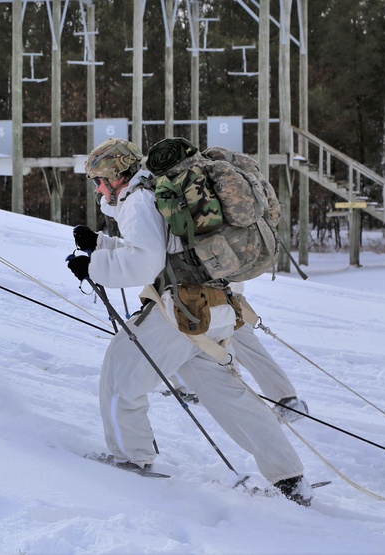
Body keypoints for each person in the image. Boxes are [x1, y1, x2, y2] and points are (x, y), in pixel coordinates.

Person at [67, 138, 312, 505]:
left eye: (100, 180)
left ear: (119, 175)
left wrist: (93, 267)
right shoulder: (158, 192)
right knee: (229, 396)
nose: (99, 188)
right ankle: (289, 477)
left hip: (182, 310)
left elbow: (145, 262)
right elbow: (164, 248)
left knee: (122, 371)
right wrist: (101, 245)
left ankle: (130, 459)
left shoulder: (138, 201)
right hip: (214, 309)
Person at [94, 178, 309, 422]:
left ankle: (284, 399)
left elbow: (153, 248)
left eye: (101, 186)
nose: (101, 194)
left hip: (208, 281)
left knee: (234, 338)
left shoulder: (143, 199)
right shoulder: (162, 191)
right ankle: (196, 387)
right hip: (213, 274)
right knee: (201, 335)